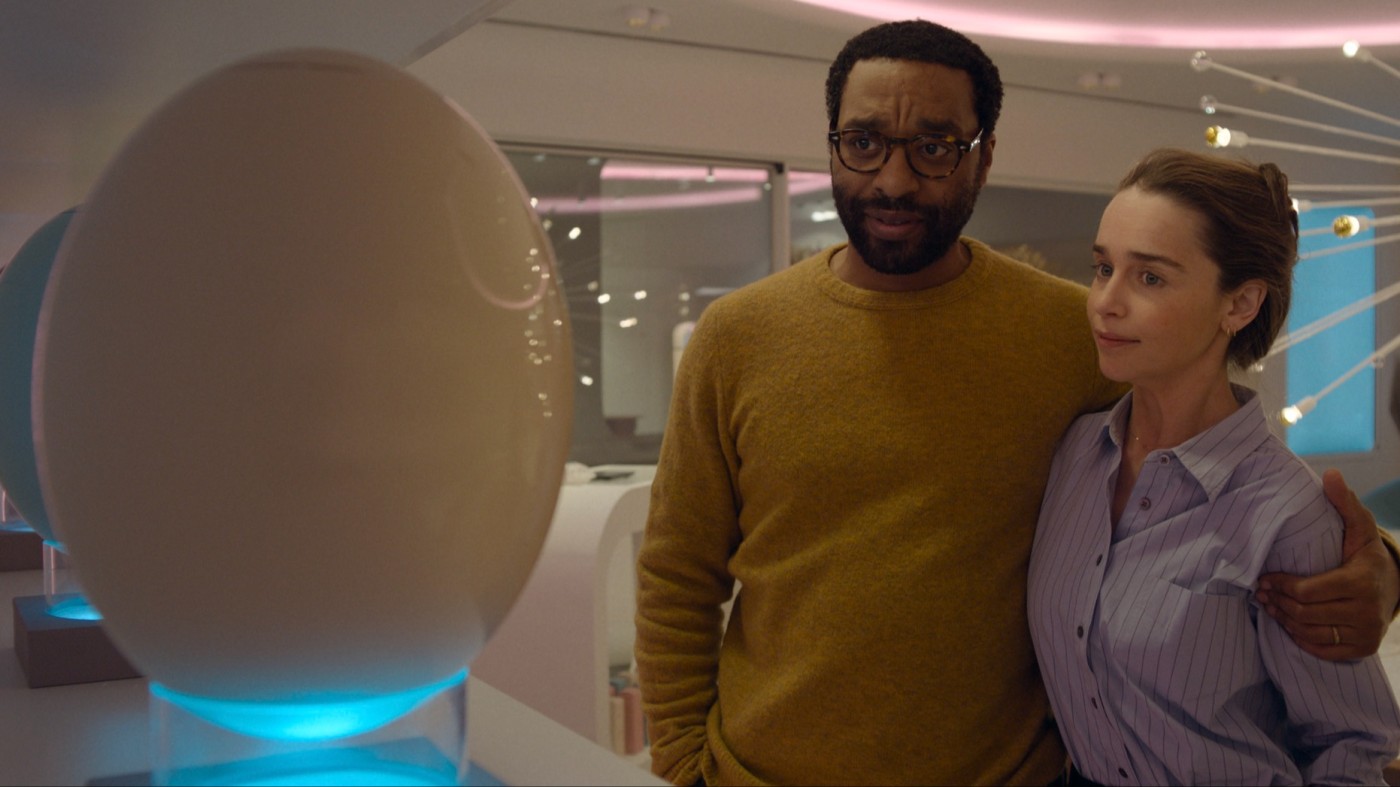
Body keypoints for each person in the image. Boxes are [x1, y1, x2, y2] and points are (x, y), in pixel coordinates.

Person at [634, 20, 1400, 786]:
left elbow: (1225, 467)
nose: (894, 180)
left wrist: (1385, 569)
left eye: (934, 147)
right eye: (863, 141)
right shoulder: (738, 336)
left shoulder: (1073, 335)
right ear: (832, 144)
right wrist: (681, 762)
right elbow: (677, 572)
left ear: (985, 154)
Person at [1028, 148, 1400, 785]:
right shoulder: (1073, 456)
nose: (1105, 302)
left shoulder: (1288, 515)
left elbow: (1351, 749)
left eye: (1150, 278)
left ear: (1240, 303)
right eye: (1103, 268)